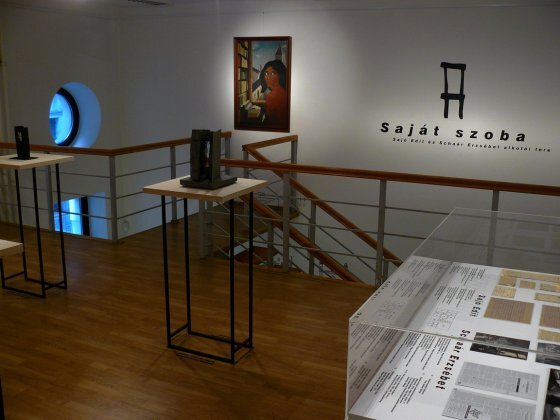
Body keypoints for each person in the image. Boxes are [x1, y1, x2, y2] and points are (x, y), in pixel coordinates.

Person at [259, 59, 288, 127]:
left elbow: (273, 123)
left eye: (273, 73)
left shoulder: (271, 96)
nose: (268, 77)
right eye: (266, 73)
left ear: (280, 75)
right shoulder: (284, 91)